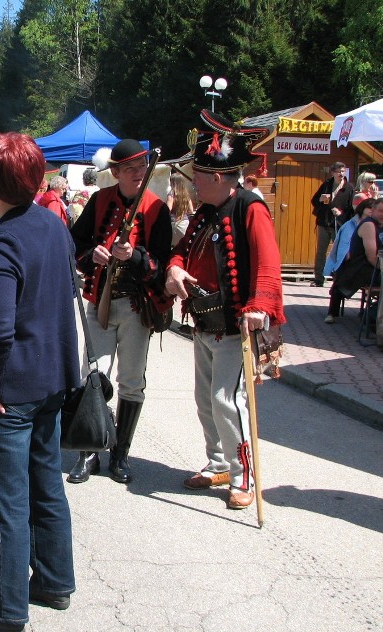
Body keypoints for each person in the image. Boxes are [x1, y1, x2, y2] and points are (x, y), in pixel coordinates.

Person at [0, 132, 80, 632]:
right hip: (52, 379)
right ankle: (54, 580)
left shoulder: (1, 241)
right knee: (45, 485)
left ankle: (8, 609)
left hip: (12, 389)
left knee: (10, 500)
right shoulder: (53, 225)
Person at [165, 110, 285, 510]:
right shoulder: (204, 214)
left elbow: (269, 264)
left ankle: (242, 475)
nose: (192, 183)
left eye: (197, 176)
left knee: (224, 399)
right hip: (204, 321)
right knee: (204, 398)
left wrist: (259, 307)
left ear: (217, 177)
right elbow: (181, 253)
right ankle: (218, 463)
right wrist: (176, 268)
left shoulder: (250, 208)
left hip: (235, 325)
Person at [67, 139, 172, 485]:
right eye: (131, 169)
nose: (139, 174)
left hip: (136, 306)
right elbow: (74, 244)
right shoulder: (99, 201)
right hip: (100, 299)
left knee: (131, 381)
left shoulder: (157, 209)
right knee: (91, 375)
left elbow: (162, 266)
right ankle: (88, 453)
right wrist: (90, 256)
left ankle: (120, 455)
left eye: (142, 168)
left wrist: (136, 257)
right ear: (115, 173)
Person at [324, 198, 383, 324]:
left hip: (371, 268)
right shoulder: (368, 225)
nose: (382, 214)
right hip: (361, 269)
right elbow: (372, 257)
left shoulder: (378, 225)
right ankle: (372, 317)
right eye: (380, 211)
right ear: (372, 211)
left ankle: (372, 315)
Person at [310, 162, 354, 287]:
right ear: (333, 172)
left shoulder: (349, 188)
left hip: (338, 224)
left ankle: (338, 278)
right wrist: (320, 200)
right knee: (321, 251)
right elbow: (314, 200)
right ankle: (319, 278)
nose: (341, 174)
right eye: (338, 171)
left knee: (339, 252)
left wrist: (341, 212)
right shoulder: (327, 184)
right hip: (324, 222)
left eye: (343, 171)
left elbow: (351, 209)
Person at [324, 197, 371, 280]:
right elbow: (343, 249)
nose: (372, 210)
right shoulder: (350, 225)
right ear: (362, 209)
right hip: (348, 266)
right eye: (369, 207)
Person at [167, 172, 194, 248]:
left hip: (174, 225)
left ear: (172, 182)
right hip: (185, 224)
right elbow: (191, 211)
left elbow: (168, 209)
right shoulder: (186, 194)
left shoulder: (171, 194)